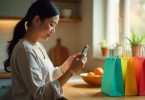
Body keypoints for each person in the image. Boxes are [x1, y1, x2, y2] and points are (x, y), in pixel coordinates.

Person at [4, 0, 87, 100]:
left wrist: (66, 66)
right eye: (52, 24)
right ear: (37, 20)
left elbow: (49, 76)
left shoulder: (38, 46)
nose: (54, 30)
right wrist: (71, 71)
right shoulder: (25, 50)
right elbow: (41, 94)